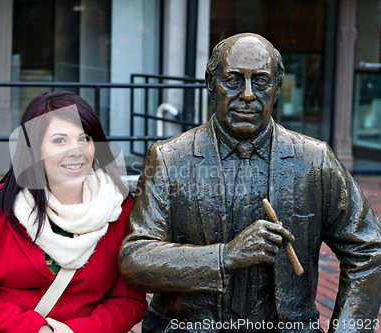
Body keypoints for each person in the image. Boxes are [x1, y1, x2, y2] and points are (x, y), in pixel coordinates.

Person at [119, 33, 381, 333]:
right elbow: (135, 260)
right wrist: (225, 257)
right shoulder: (169, 159)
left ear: (278, 87)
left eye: (260, 81)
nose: (247, 94)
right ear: (210, 84)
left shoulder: (314, 161)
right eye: (233, 80)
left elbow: (369, 250)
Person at [0, 90, 147, 332]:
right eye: (60, 140)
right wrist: (35, 330)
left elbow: (128, 300)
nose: (76, 150)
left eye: (85, 138)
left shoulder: (118, 211)